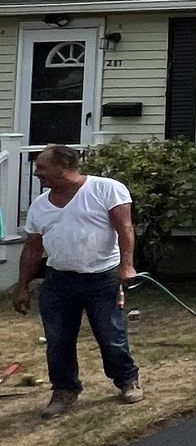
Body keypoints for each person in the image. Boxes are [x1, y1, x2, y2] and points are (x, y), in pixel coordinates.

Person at [10, 143, 142, 418]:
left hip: (102, 278)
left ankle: (127, 379)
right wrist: (23, 287)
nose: (37, 173)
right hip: (59, 281)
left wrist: (126, 266)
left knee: (111, 337)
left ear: (64, 166)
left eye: (42, 167)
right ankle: (65, 390)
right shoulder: (39, 206)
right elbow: (33, 248)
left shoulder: (106, 189)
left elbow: (125, 228)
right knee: (58, 340)